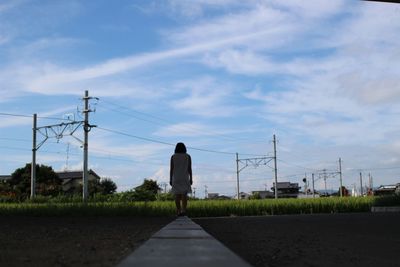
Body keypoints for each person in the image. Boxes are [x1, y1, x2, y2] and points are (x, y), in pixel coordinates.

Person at [170, 142, 192, 216]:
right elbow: (189, 168)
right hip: (185, 177)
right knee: (184, 194)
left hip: (176, 178)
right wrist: (191, 178)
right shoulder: (188, 156)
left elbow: (171, 169)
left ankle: (178, 211)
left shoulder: (173, 157)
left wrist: (170, 179)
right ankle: (184, 210)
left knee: (177, 195)